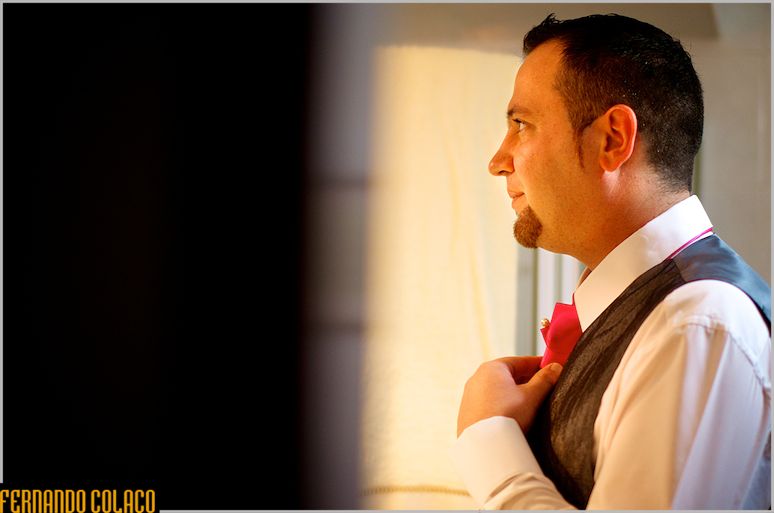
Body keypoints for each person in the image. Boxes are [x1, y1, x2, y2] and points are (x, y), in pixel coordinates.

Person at [452, 13, 771, 509]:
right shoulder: (653, 311)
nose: (498, 159)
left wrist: (488, 440)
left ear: (613, 139)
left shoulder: (699, 323)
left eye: (521, 124)